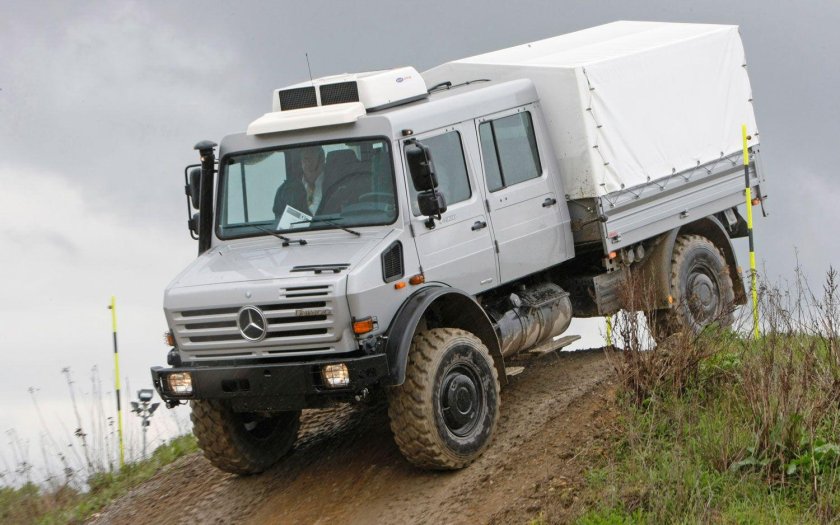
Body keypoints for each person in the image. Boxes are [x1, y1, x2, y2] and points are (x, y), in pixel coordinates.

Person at [272, 146, 325, 220]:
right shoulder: (285, 192)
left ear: (322, 159)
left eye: (311, 158)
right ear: (301, 161)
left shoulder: (337, 185)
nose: (308, 163)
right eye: (305, 158)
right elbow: (279, 223)